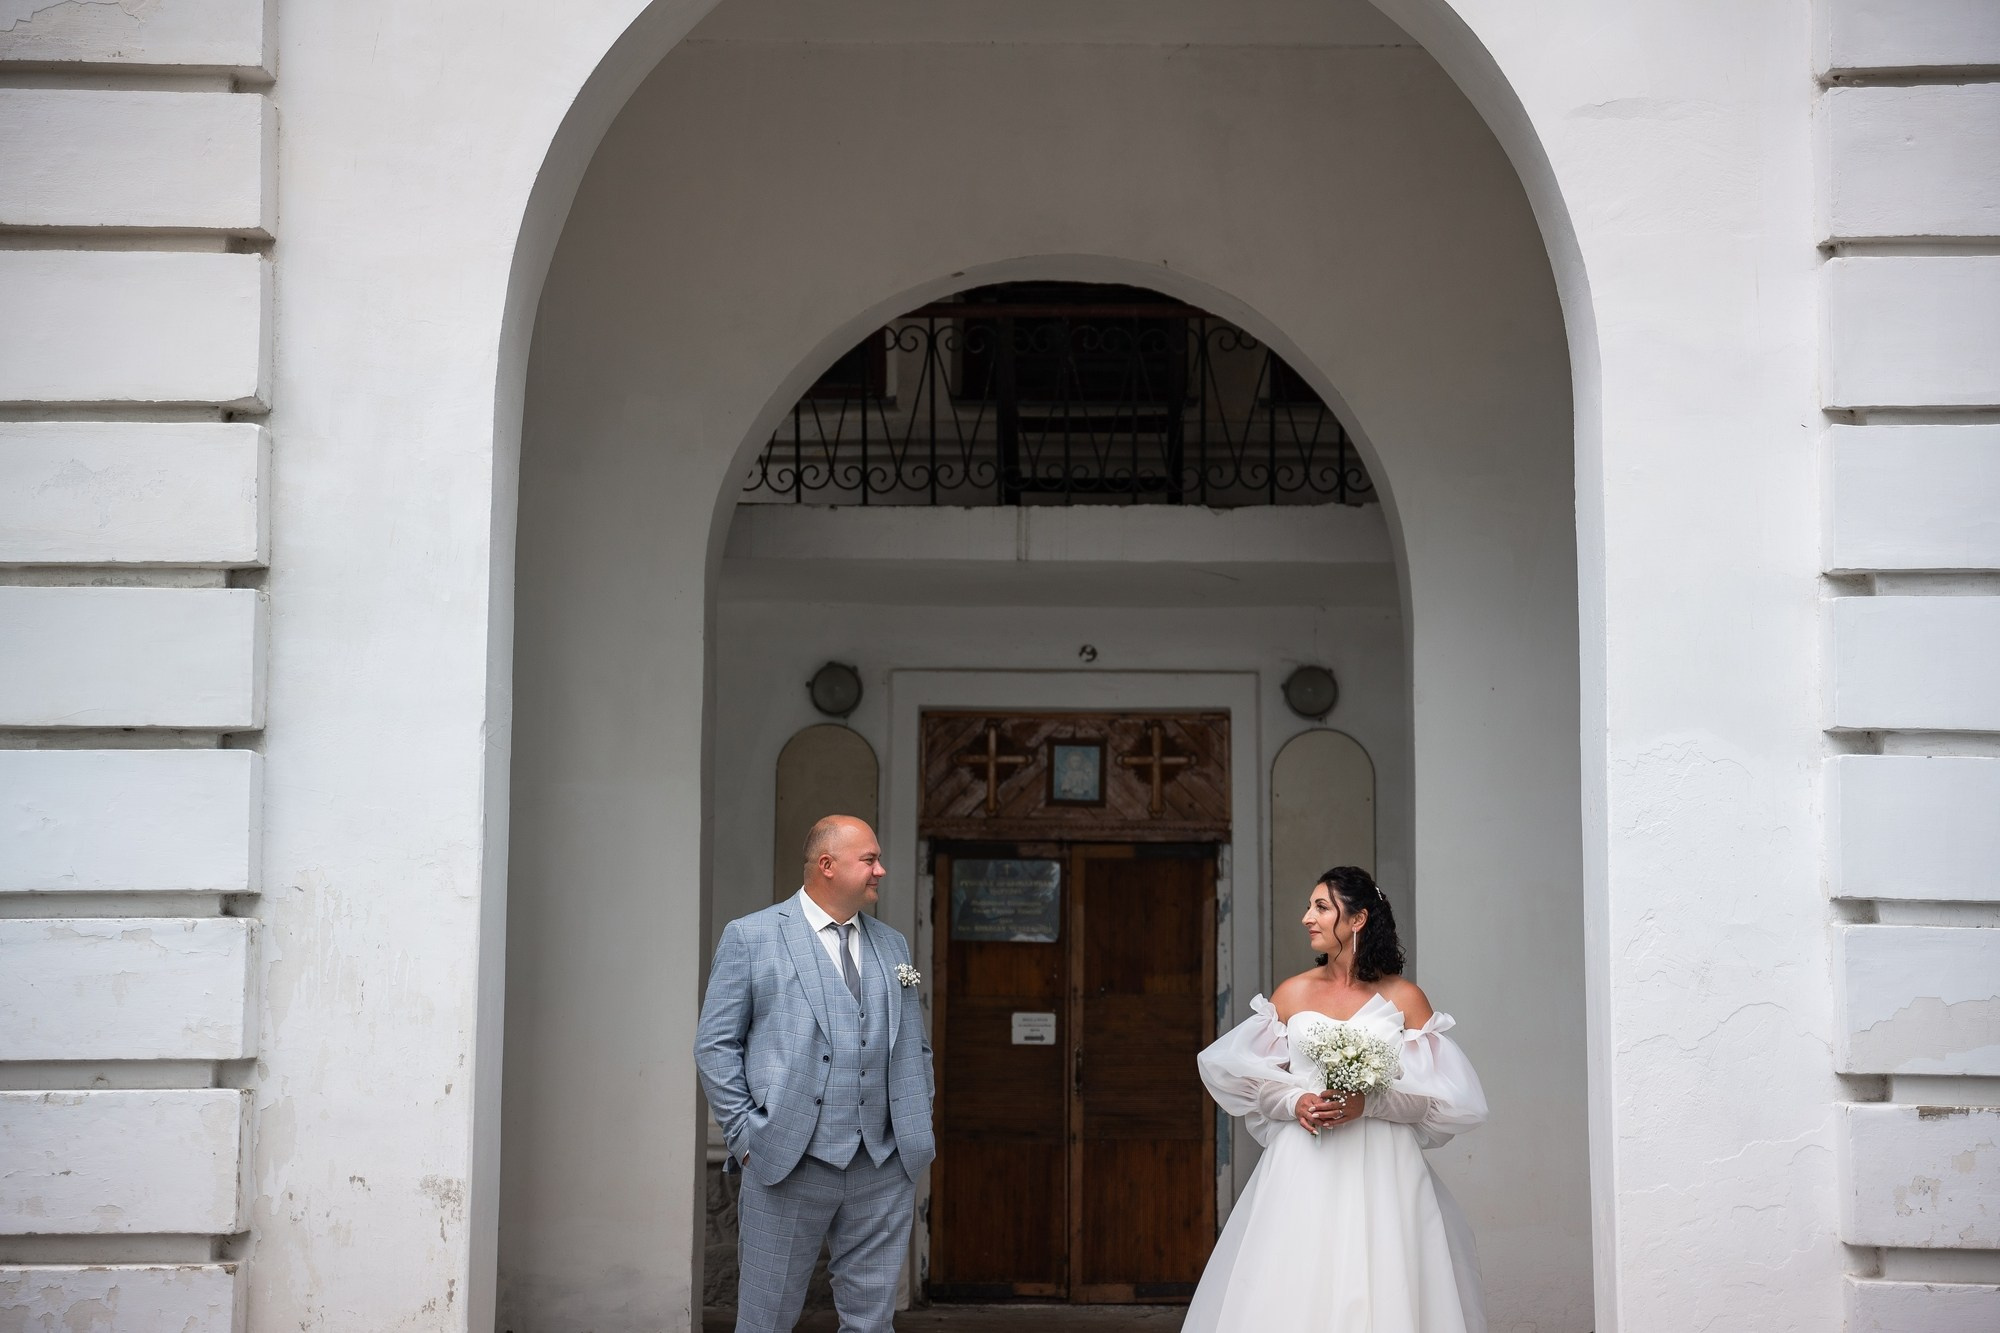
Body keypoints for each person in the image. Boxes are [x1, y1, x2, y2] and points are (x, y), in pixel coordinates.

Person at [1186, 866, 1488, 1333]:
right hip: (1304, 1164)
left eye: (1321, 907)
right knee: (1294, 1279)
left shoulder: (1404, 998)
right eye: (1310, 907)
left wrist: (1370, 1105)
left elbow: (1438, 1103)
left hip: (1384, 1169)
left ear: (1358, 919)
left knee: (1388, 1281)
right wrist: (1295, 1102)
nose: (1308, 917)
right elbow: (1249, 1081)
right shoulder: (1292, 993)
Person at [694, 816, 935, 1333]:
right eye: (869, 859)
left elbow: (916, 1046)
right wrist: (745, 1136)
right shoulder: (752, 937)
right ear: (827, 865)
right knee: (767, 1321)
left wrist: (915, 1123)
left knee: (872, 1324)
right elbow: (715, 1046)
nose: (881, 870)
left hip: (883, 1163)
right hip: (785, 1160)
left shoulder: (892, 946)